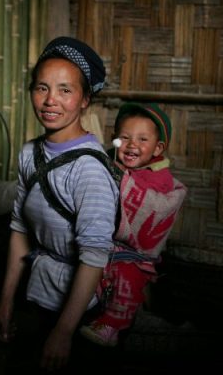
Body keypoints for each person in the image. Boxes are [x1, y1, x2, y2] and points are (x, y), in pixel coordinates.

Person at [0, 36, 120, 375]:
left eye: (65, 90)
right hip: (34, 298)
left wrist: (64, 333)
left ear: (84, 100)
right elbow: (19, 228)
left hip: (76, 316)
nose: (51, 101)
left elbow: (93, 257)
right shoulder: (29, 153)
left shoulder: (90, 170)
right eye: (42, 88)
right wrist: (5, 302)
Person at [79, 102, 187, 347]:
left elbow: (152, 203)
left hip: (134, 255)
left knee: (128, 279)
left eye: (142, 139)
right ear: (115, 139)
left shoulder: (160, 176)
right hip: (103, 246)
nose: (132, 145)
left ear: (158, 148)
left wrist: (122, 179)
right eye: (125, 137)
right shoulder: (108, 162)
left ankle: (113, 325)